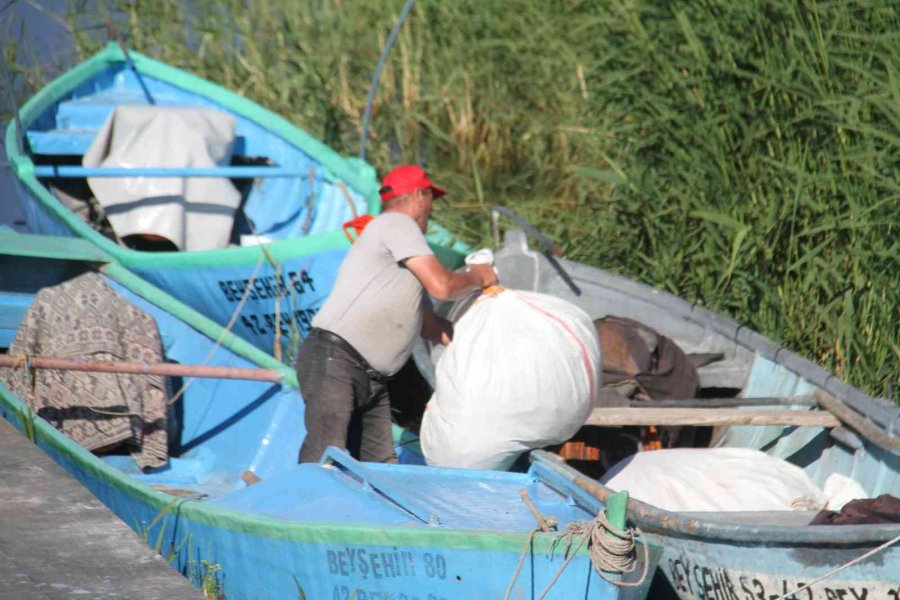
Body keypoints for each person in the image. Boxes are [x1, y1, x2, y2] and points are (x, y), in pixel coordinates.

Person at [297, 165, 498, 463]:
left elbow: (431, 327)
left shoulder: (405, 257)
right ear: (419, 197)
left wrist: (482, 342)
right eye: (431, 200)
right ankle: (302, 495)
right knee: (325, 456)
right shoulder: (397, 224)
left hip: (372, 378)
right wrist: (479, 276)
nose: (431, 211)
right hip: (336, 360)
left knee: (381, 467)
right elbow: (443, 287)